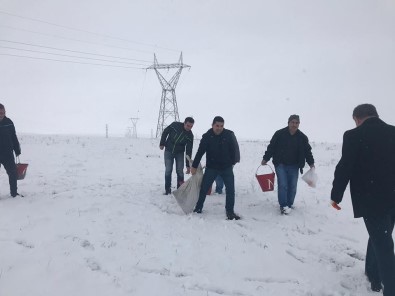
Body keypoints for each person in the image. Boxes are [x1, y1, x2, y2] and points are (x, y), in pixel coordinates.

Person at [330, 104, 395, 294]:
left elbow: (344, 168)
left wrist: (336, 196)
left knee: (383, 245)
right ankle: (373, 274)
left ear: (357, 118)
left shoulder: (353, 135)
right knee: (381, 236)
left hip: (373, 201)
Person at [261, 114, 314, 215]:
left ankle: (289, 204)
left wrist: (311, 163)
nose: (294, 124)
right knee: (283, 185)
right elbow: (271, 147)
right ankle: (283, 206)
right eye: (292, 122)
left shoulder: (302, 137)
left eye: (296, 123)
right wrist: (265, 159)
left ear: (299, 124)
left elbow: (308, 151)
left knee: (292, 186)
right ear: (288, 122)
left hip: (294, 165)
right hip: (280, 164)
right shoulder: (279, 134)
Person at [190, 116, 241, 220]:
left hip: (226, 168)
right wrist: (194, 166)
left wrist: (232, 162)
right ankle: (198, 208)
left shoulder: (229, 134)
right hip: (211, 168)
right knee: (204, 189)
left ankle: (230, 211)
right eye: (217, 125)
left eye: (221, 126)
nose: (219, 128)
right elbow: (200, 152)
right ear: (212, 125)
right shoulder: (207, 136)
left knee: (231, 190)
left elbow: (234, 150)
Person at [159, 117, 194, 195]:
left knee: (180, 171)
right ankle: (167, 190)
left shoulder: (190, 135)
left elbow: (189, 150)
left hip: (179, 153)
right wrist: (162, 143)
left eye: (191, 126)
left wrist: (188, 165)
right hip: (169, 150)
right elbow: (165, 132)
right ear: (184, 123)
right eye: (188, 125)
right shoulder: (175, 125)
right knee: (168, 170)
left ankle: (180, 190)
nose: (189, 128)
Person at [0, 103, 21, 197]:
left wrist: (17, 149)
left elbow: (13, 136)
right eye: (0, 112)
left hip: (7, 153)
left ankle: (14, 193)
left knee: (12, 172)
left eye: (2, 112)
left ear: (5, 112)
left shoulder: (9, 122)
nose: (1, 114)